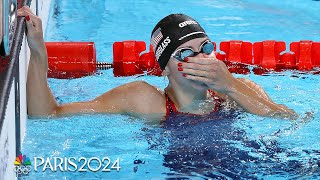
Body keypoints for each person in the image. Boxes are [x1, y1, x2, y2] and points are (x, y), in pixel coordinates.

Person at [18, 6, 297, 121]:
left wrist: (231, 85)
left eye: (205, 47)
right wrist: (38, 51)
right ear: (164, 68)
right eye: (185, 53)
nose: (201, 58)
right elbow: (48, 114)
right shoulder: (144, 100)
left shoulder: (237, 91)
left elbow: (289, 118)